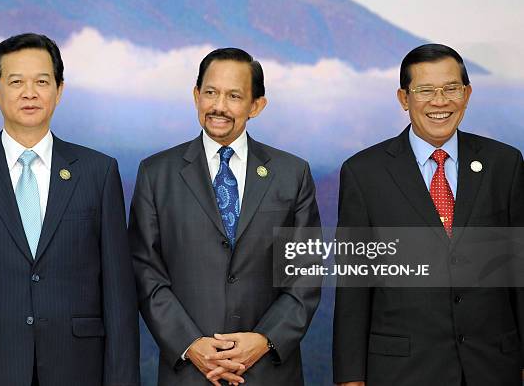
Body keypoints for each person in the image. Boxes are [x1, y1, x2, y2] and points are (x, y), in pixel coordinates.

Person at [0, 33, 139, 386]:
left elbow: (120, 300)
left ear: (60, 89)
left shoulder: (99, 172)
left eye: (42, 81)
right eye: (16, 81)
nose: (30, 92)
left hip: (78, 371)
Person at [332, 43, 524, 386]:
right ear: (404, 99)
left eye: (451, 88)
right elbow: (354, 285)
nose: (440, 101)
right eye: (425, 90)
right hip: (403, 370)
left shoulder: (505, 164)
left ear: (466, 94)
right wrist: (350, 377)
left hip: (494, 367)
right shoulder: (365, 173)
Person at [129, 47, 322, 385]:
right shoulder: (156, 174)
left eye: (234, 96)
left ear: (256, 105)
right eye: (210, 93)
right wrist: (191, 344)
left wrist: (264, 340)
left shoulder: (293, 174)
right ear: (195, 96)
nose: (219, 106)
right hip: (188, 370)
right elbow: (145, 270)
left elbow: (306, 273)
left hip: (269, 370)